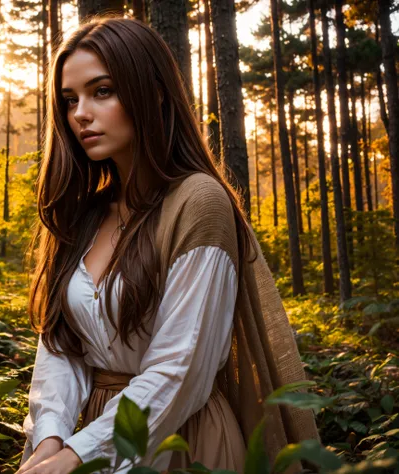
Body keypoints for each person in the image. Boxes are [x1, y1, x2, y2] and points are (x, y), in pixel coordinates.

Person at [17, 15, 319, 474]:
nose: (80, 113)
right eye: (69, 99)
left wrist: (78, 456)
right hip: (84, 439)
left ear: (153, 92)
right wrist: (49, 441)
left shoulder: (198, 203)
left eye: (102, 91)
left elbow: (181, 371)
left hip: (183, 442)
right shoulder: (85, 214)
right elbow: (61, 348)